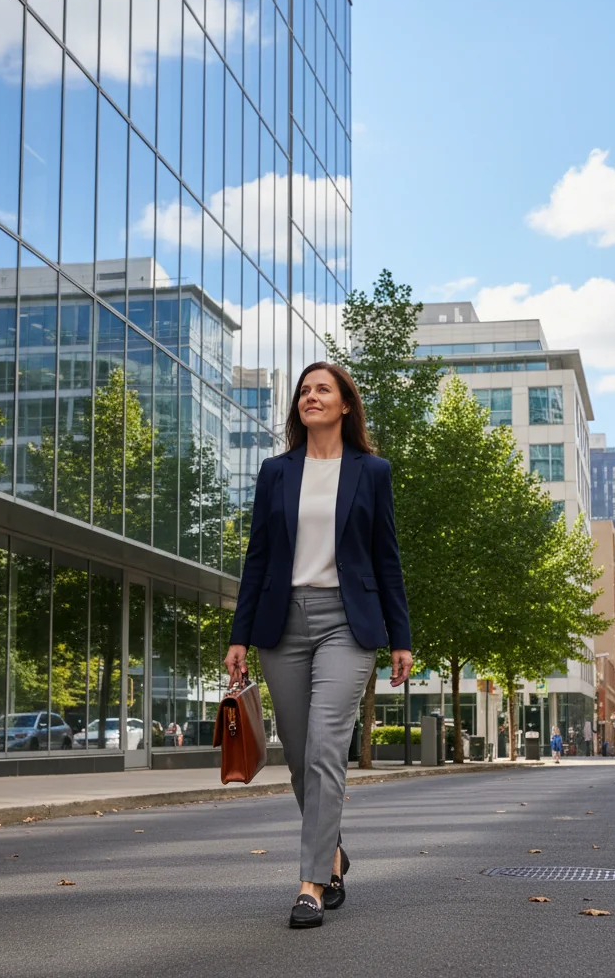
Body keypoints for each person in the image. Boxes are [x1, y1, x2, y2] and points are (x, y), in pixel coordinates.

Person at [223, 362, 413, 929]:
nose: (310, 397)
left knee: (328, 749)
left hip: (346, 624)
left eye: (322, 389)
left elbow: (387, 559)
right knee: (301, 754)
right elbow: (257, 559)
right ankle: (331, 853)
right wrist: (240, 634)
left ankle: (310, 884)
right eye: (304, 391)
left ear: (345, 405)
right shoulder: (276, 472)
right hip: (281, 625)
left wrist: (400, 638)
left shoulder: (371, 471)